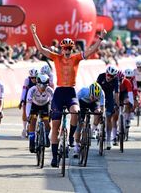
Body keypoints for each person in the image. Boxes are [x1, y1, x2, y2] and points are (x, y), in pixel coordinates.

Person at [30, 23, 106, 167]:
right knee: (56, 127)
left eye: (69, 48)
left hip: (70, 91)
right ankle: (53, 157)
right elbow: (40, 49)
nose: (67, 50)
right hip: (59, 92)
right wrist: (34, 33)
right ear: (61, 49)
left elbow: (90, 51)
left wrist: (100, 39)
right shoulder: (56, 58)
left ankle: (71, 137)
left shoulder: (76, 58)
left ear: (72, 49)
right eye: (65, 48)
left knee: (76, 111)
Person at [73, 82, 104, 157]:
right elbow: (75, 101)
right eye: (93, 97)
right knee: (79, 123)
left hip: (93, 105)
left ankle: (92, 131)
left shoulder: (101, 94)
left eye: (96, 97)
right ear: (90, 92)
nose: (94, 99)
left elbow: (102, 107)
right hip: (82, 103)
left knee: (98, 112)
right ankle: (76, 146)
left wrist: (101, 116)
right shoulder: (83, 91)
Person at [26, 73, 53, 153]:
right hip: (34, 105)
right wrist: (28, 115)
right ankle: (31, 140)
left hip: (45, 105)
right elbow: (28, 103)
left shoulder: (50, 90)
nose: (43, 88)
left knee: (47, 122)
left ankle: (46, 136)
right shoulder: (32, 90)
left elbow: (53, 103)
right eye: (41, 85)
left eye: (45, 86)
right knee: (33, 120)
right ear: (37, 84)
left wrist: (52, 113)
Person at [97, 65, 119, 150]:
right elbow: (96, 88)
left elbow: (116, 93)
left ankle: (108, 140)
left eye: (111, 76)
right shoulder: (101, 76)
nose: (109, 77)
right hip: (100, 95)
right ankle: (97, 128)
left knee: (109, 118)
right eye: (108, 74)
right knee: (98, 112)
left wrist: (116, 104)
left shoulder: (116, 80)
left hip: (109, 96)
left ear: (114, 77)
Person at [111, 70, 134, 145]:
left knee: (127, 102)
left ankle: (126, 119)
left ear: (123, 78)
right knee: (115, 116)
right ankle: (114, 136)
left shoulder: (127, 82)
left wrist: (131, 104)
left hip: (124, 94)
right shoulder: (113, 82)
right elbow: (112, 96)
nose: (120, 82)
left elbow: (130, 94)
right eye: (118, 80)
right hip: (116, 94)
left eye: (121, 80)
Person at [19, 68, 38, 138]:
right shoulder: (27, 80)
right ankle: (24, 128)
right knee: (24, 111)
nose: (33, 79)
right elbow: (24, 90)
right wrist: (22, 100)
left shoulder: (39, 80)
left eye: (35, 77)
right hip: (28, 97)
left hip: (36, 98)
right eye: (32, 77)